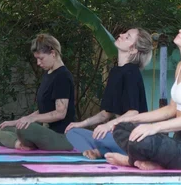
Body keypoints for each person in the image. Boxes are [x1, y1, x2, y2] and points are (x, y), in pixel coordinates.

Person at [105, 20, 181, 170]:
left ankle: (130, 160)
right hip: (178, 142)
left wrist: (153, 128)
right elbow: (171, 109)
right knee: (121, 127)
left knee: (144, 140)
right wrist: (130, 119)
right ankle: (150, 162)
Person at [65, 28, 151, 159]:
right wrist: (80, 124)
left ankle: (102, 151)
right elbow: (105, 114)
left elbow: (133, 113)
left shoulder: (132, 72)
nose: (121, 35)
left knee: (103, 136)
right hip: (115, 134)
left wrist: (108, 125)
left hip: (131, 136)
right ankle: (100, 151)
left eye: (127, 36)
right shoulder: (115, 72)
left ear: (133, 50)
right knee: (73, 132)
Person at [0, 34, 75, 151]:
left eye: (41, 58)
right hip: (45, 132)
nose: (38, 63)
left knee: (24, 129)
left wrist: (33, 119)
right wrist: (17, 121)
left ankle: (28, 143)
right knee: (3, 129)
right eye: (36, 59)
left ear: (53, 53)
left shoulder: (62, 76)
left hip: (61, 136)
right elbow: (44, 110)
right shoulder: (48, 74)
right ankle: (20, 145)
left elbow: (60, 113)